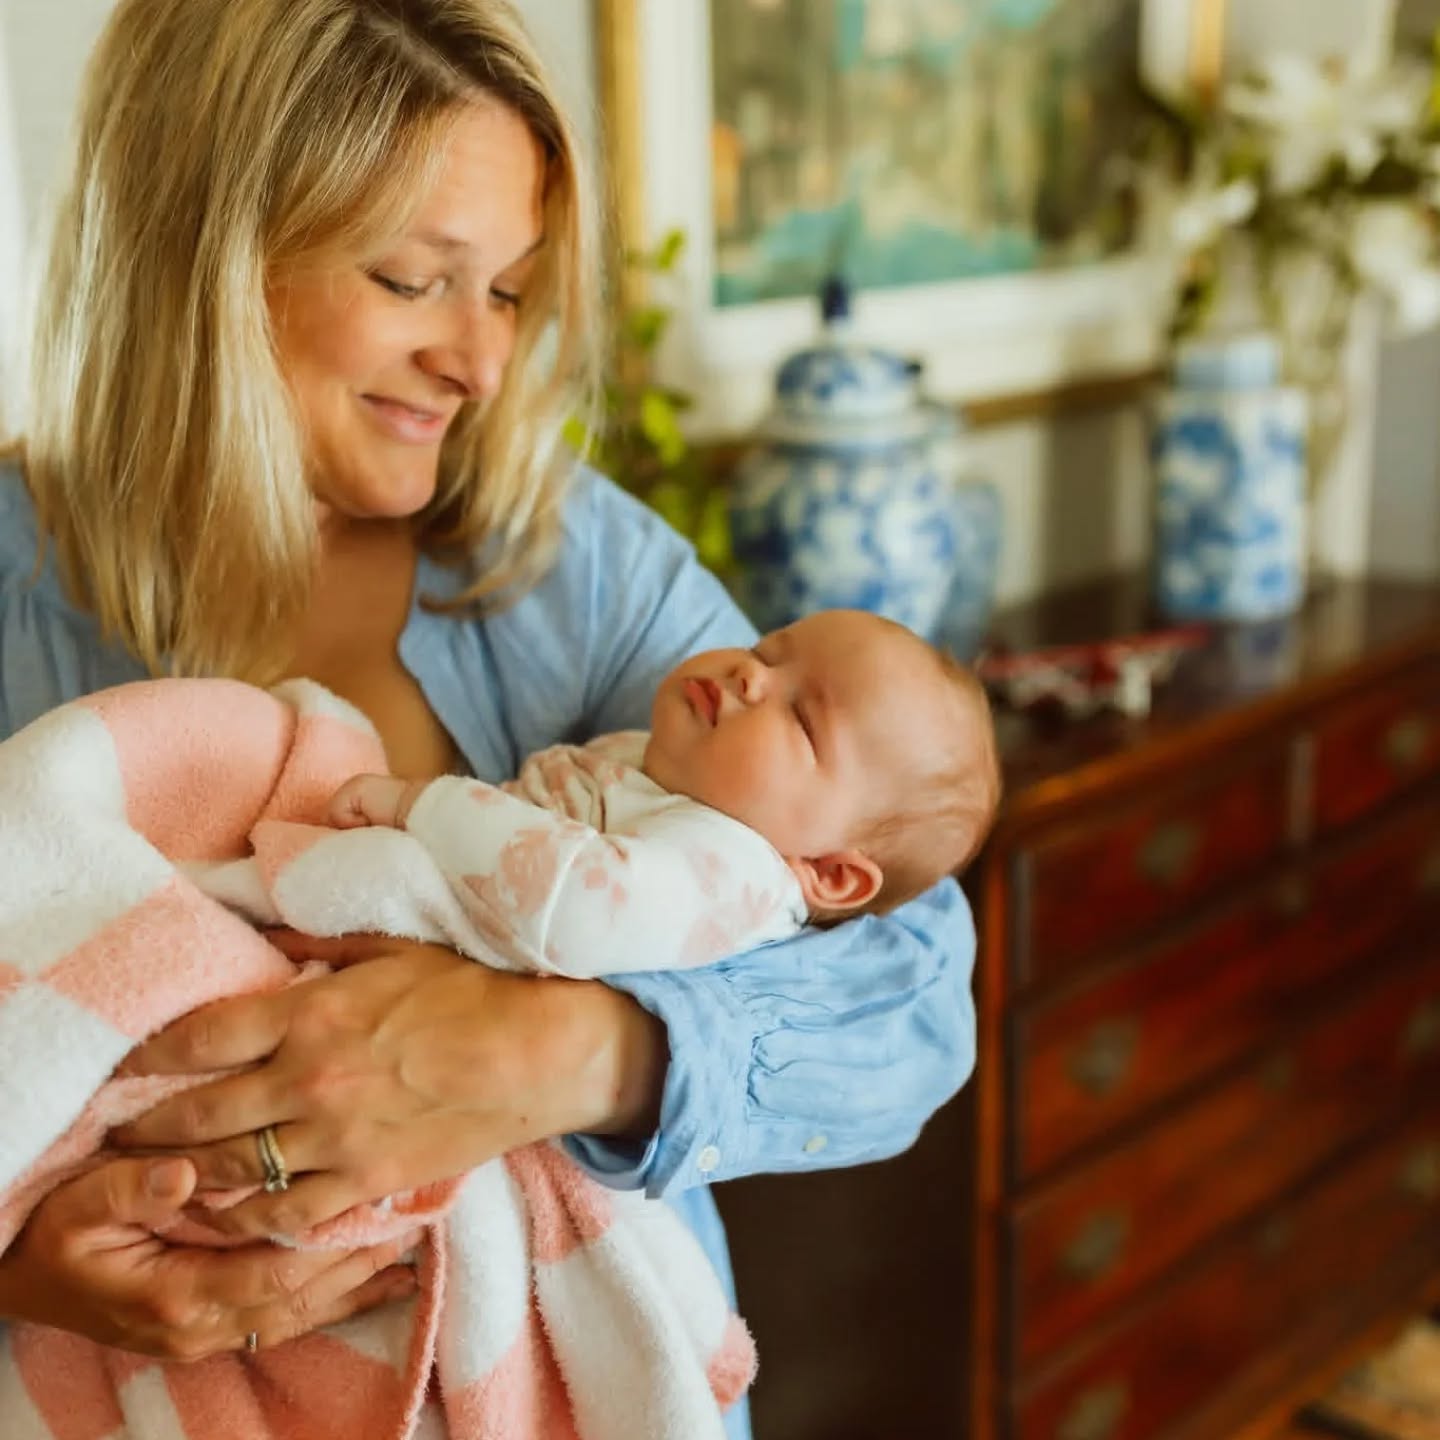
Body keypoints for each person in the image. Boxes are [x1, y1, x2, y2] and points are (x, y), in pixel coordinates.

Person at [0, 2, 976, 1435]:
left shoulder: (572, 569)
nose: (481, 361)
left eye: (509, 293)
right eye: (415, 280)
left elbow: (912, 985)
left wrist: (561, 1050)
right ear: (204, 257)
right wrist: (22, 1267)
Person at [328, 609, 1001, 962]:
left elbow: (569, 904)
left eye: (800, 716)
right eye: (767, 650)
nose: (751, 676)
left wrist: (420, 803)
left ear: (829, 873)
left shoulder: (728, 873)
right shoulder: (664, 767)